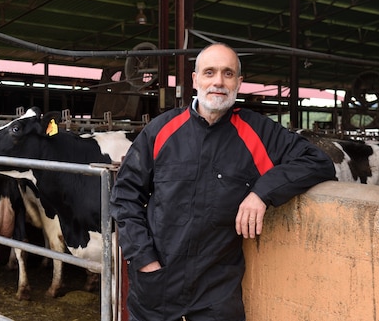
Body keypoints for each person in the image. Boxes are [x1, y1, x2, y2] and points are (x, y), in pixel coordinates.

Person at [110, 43, 336, 321]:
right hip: (158, 280)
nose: (218, 81)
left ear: (239, 83)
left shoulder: (258, 131)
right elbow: (124, 195)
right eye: (209, 72)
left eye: (228, 74)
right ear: (195, 80)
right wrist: (143, 260)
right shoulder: (161, 130)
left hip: (216, 291)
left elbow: (318, 161)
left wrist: (262, 193)